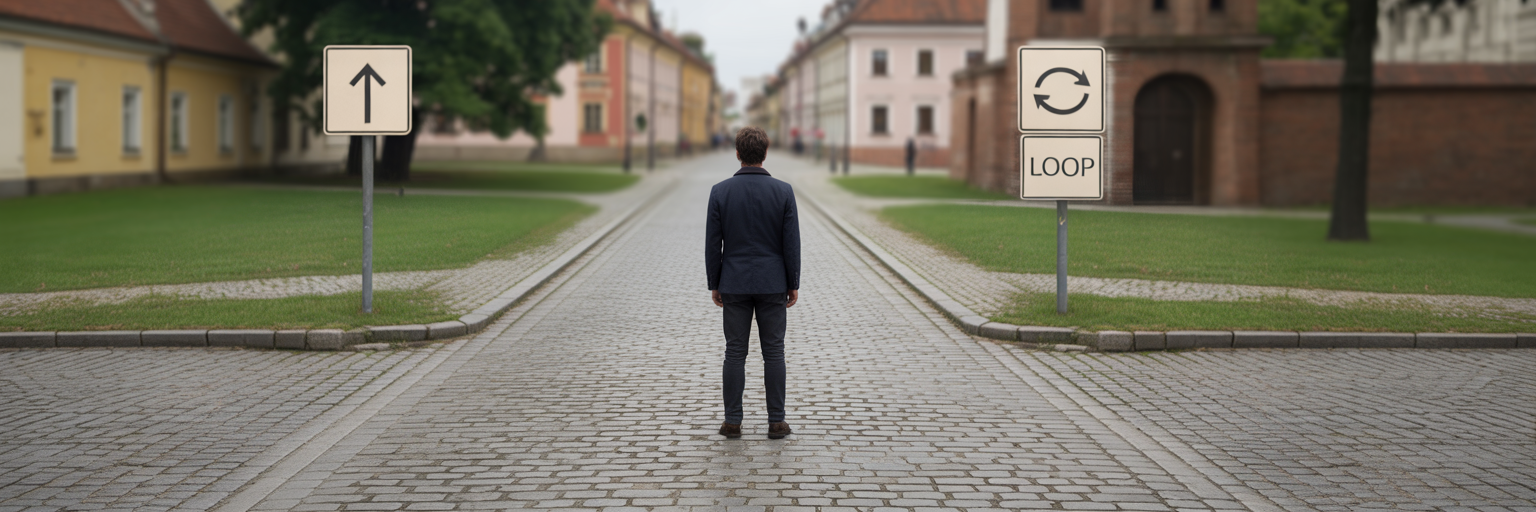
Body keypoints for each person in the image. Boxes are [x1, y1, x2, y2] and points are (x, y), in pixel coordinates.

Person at [705, 126, 801, 440]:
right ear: (765, 153)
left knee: (734, 352)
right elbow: (791, 243)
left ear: (737, 154)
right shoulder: (783, 191)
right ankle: (776, 421)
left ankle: (732, 421)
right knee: (774, 352)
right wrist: (793, 282)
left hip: (733, 281)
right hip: (774, 282)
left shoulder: (720, 191)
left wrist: (714, 282)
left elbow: (712, 244)